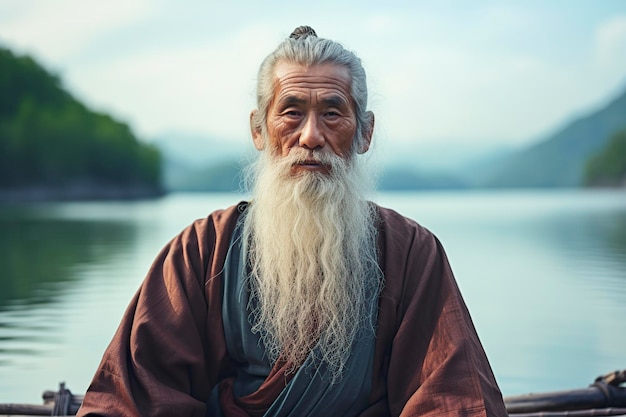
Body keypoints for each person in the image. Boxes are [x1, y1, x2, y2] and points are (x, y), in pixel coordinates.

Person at [77, 26, 507, 417]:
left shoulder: (411, 253)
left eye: (333, 114)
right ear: (259, 130)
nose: (311, 136)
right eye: (291, 112)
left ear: (365, 133)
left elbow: (454, 398)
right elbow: (130, 399)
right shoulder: (201, 251)